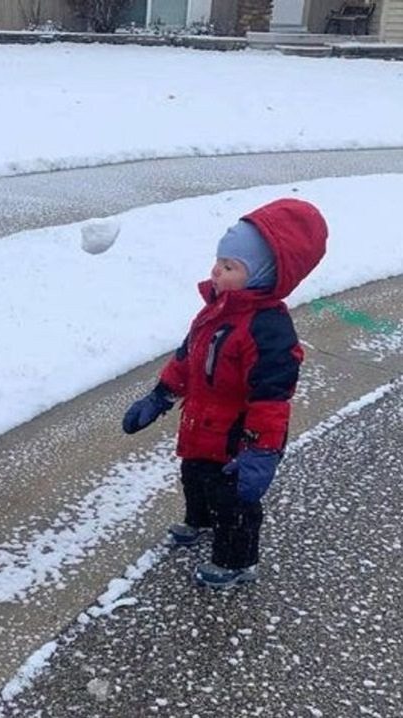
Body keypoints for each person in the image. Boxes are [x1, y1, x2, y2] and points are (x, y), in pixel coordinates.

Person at [122, 198, 327, 588]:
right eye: (218, 261)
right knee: (194, 477)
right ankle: (198, 521)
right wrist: (161, 395)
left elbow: (271, 399)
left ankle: (237, 561)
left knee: (234, 501)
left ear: (263, 276)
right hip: (201, 424)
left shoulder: (268, 330)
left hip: (239, 439)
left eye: (230, 267)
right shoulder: (216, 311)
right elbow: (188, 357)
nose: (216, 271)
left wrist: (261, 452)